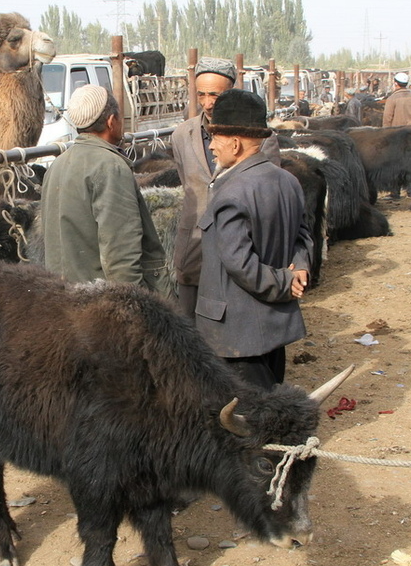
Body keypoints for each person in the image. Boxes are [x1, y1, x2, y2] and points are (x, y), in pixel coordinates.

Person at [195, 89, 313, 388]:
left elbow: (240, 265)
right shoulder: (288, 180)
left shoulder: (231, 193)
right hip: (274, 326)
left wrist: (287, 283)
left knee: (251, 416)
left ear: (235, 144)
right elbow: (303, 236)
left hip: (236, 332)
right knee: (273, 396)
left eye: (215, 139)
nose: (211, 147)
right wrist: (300, 268)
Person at [170, 58, 278, 319]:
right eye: (201, 95)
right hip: (194, 248)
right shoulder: (182, 135)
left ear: (230, 93)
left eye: (215, 95)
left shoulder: (262, 139)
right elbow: (190, 185)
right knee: (190, 327)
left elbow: (267, 196)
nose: (207, 103)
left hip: (243, 249)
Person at [41, 84, 171, 295]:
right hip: (100, 306)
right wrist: (135, 308)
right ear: (112, 121)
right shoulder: (110, 166)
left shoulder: (58, 164)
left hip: (63, 298)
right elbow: (121, 255)